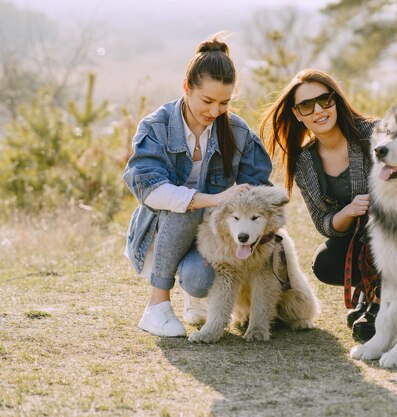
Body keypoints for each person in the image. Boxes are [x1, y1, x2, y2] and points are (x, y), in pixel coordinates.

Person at [122, 34, 272, 337]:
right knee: (187, 205)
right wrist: (213, 199)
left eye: (224, 102)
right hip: (161, 231)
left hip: (212, 235)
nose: (215, 110)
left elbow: (259, 189)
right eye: (207, 100)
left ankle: (194, 296)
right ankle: (157, 307)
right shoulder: (156, 127)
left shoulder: (238, 132)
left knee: (199, 280)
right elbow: (149, 189)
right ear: (187, 87)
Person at [259, 69, 379, 341]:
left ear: (335, 100)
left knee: (378, 229)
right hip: (353, 239)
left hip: (396, 230)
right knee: (325, 263)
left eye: (324, 100)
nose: (318, 110)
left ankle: (378, 306)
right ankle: (367, 291)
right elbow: (324, 223)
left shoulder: (374, 134)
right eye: (306, 105)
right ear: (297, 114)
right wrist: (348, 212)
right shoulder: (303, 162)